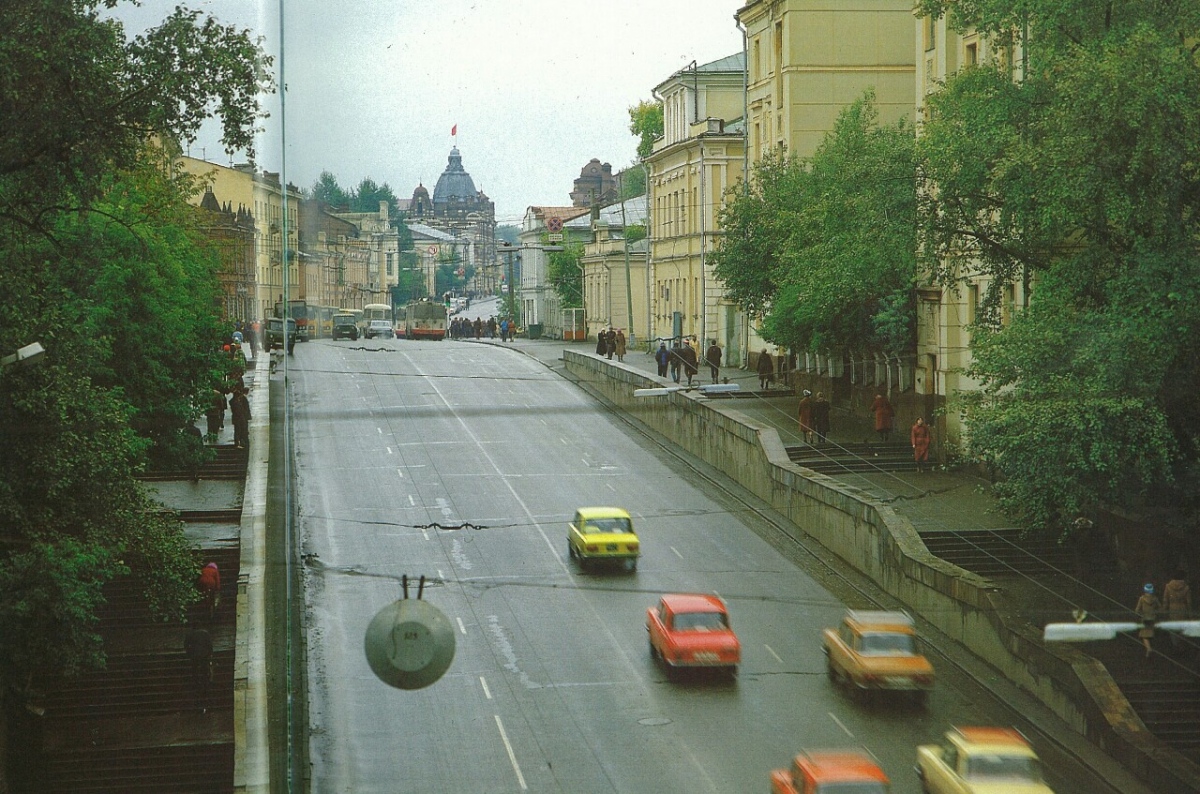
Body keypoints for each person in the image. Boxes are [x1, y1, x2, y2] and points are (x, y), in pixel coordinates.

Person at [184, 626, 214, 710]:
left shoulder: (189, 634)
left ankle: (196, 680)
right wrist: (210, 653)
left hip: (194, 655)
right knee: (204, 668)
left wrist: (189, 653)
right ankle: (205, 679)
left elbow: (186, 645)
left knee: (195, 668)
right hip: (204, 654)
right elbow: (209, 644)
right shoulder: (205, 633)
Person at [1164, 570, 1192, 652]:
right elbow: (1189, 602)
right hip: (1183, 610)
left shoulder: (1168, 586)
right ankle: (1182, 648)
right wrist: (1190, 615)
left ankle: (1175, 647)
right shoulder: (1186, 588)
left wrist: (1164, 610)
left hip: (1172, 610)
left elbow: (1165, 600)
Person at [1136, 582, 1161, 659]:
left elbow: (1137, 610)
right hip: (1152, 618)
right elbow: (1160, 608)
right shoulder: (1155, 599)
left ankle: (1148, 649)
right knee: (1151, 634)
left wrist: (1139, 614)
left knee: (1144, 636)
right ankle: (1150, 650)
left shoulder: (1142, 599)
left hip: (1145, 618)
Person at [230, 386, 251, 450]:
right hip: (238, 419)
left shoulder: (236, 402)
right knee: (238, 431)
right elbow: (240, 411)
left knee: (238, 430)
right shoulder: (236, 403)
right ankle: (238, 443)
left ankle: (239, 442)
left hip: (238, 419)